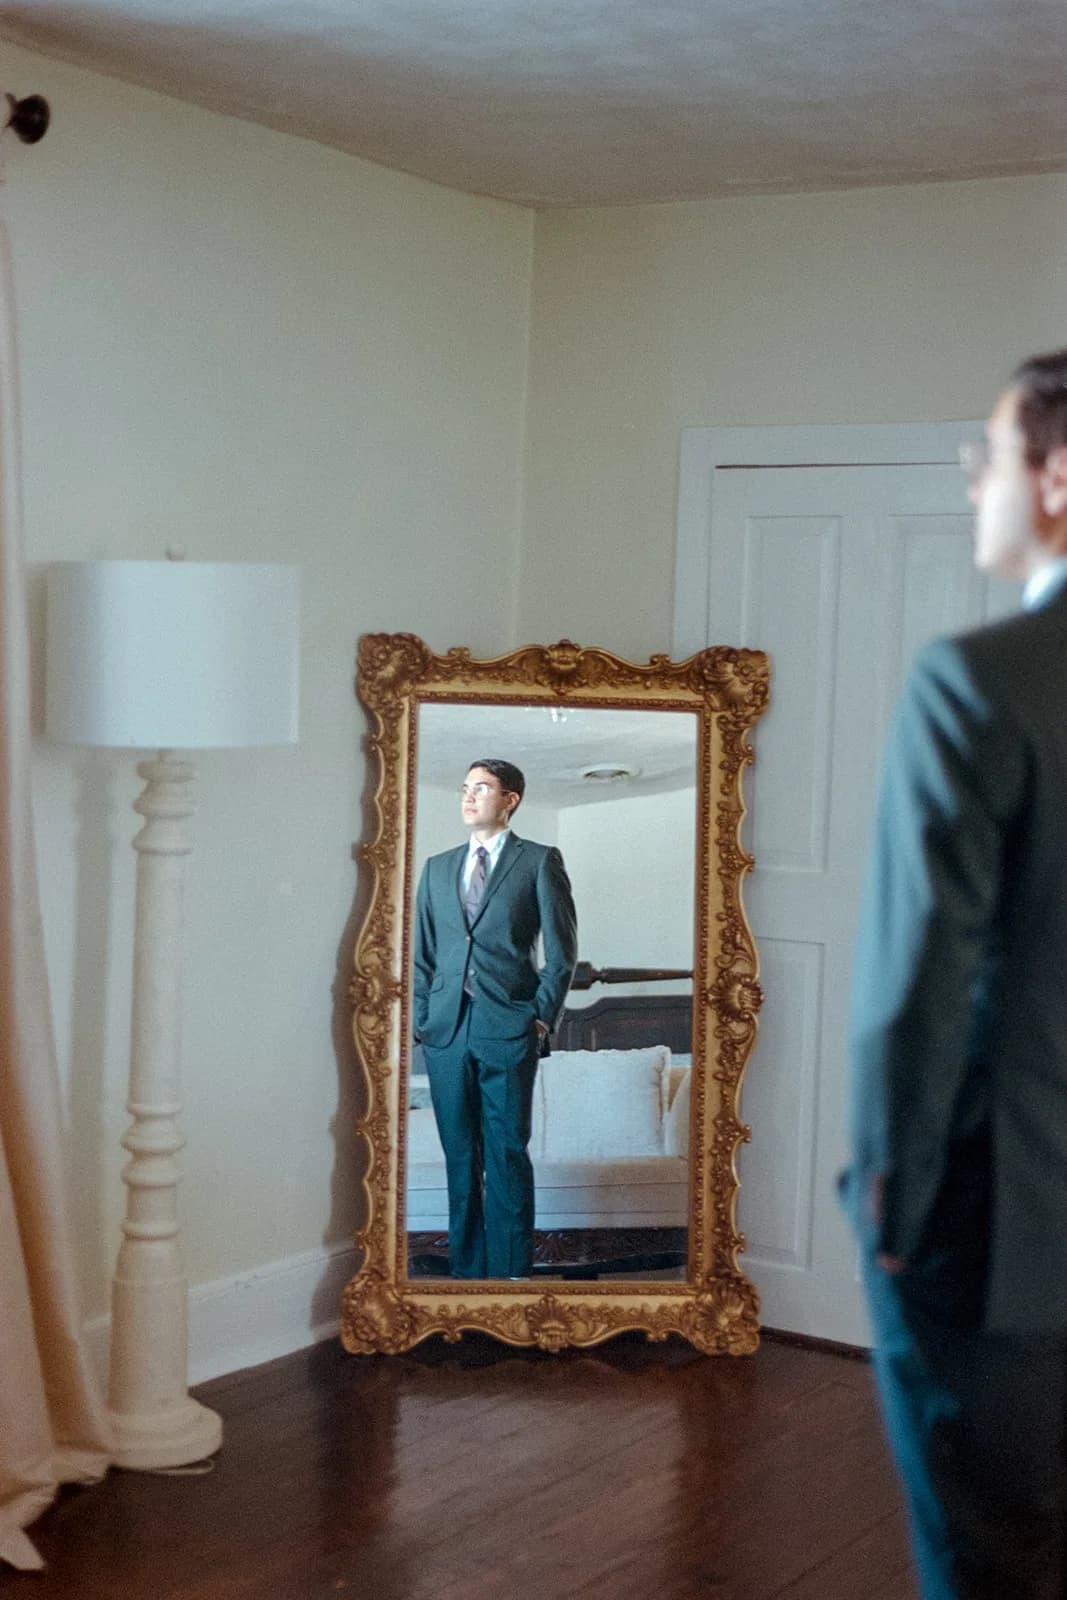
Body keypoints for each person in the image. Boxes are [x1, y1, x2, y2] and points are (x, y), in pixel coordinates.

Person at [842, 347, 1067, 1599]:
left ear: (1054, 474)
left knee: (990, 1558)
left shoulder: (977, 682)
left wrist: (885, 1194)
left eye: (985, 453)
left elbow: (916, 977)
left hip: (1002, 1227)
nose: (971, 479)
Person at [413, 758, 577, 1279]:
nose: (467, 796)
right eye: (464, 787)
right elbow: (422, 954)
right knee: (460, 1160)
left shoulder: (538, 861)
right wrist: (423, 1017)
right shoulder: (437, 868)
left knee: (506, 1156)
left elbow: (562, 953)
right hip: (445, 1033)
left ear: (510, 800)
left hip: (509, 1028)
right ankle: (466, 1277)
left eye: (481, 788)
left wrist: (541, 1019)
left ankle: (511, 1280)